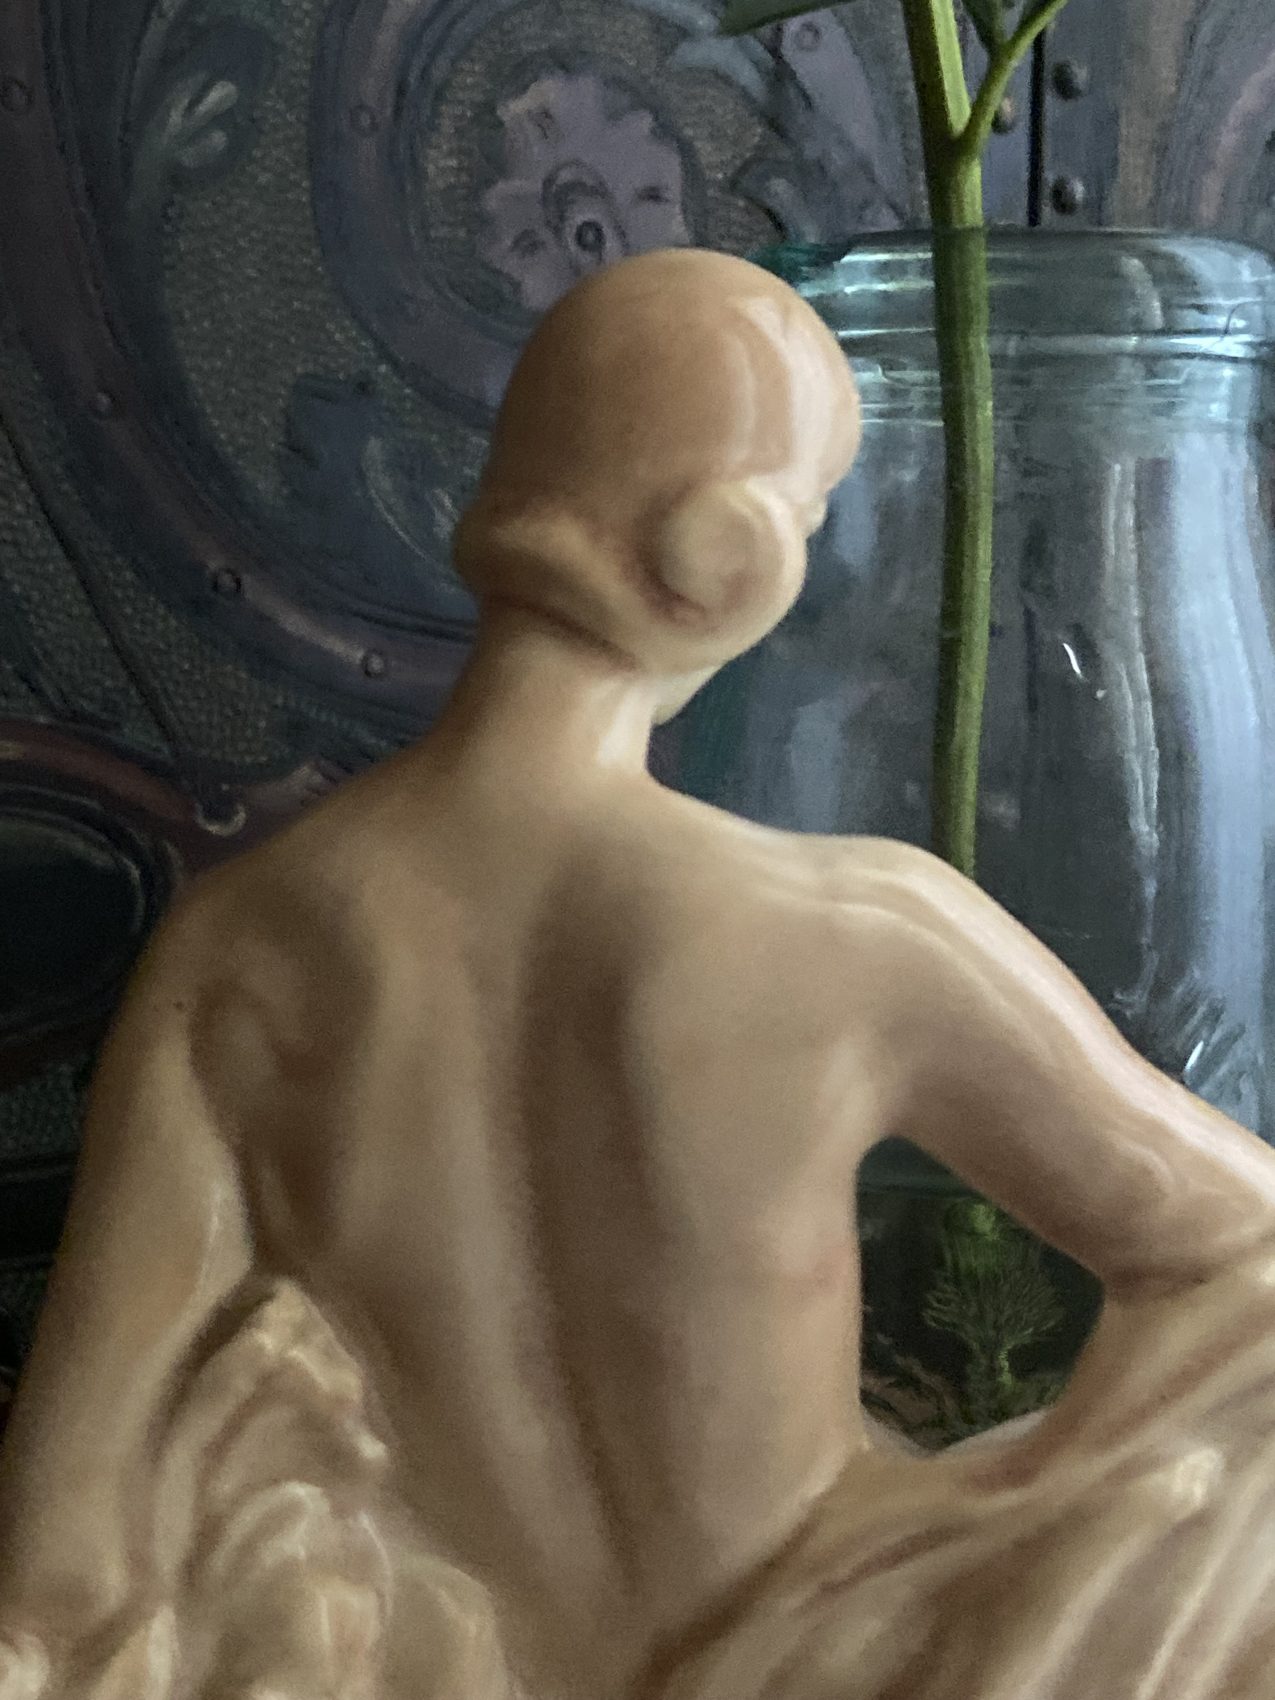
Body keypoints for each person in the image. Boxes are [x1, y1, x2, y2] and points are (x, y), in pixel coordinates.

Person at [2, 248, 1275, 1700]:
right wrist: (1032, 1536)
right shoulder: (857, 936)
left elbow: (64, 1536)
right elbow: (1246, 1254)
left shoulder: (238, 955)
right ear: (740, 555)